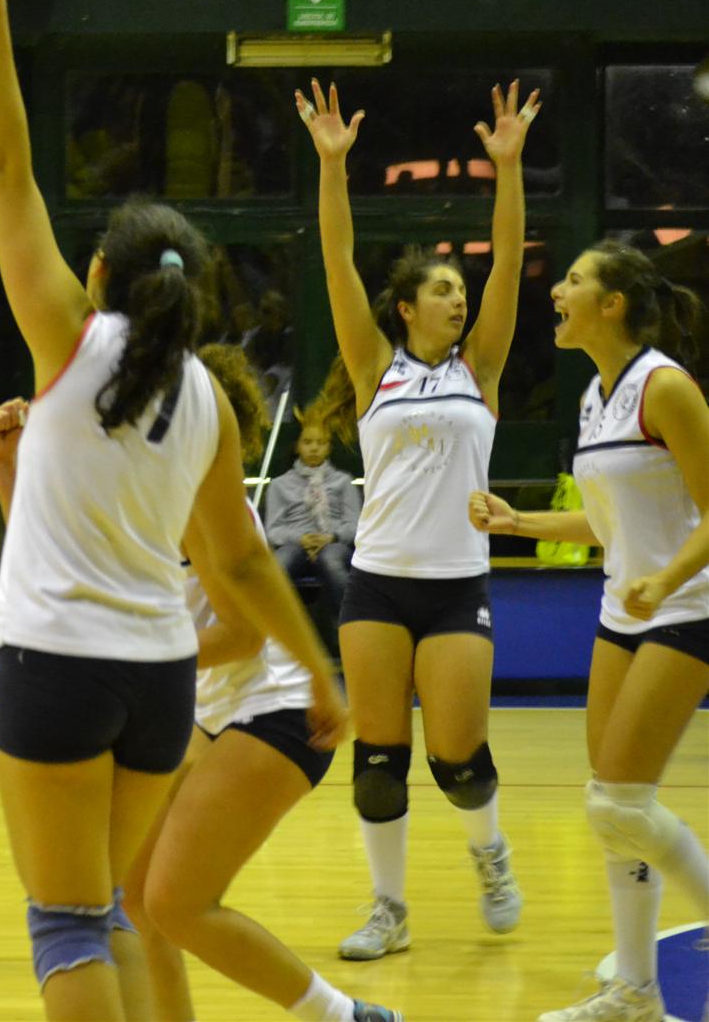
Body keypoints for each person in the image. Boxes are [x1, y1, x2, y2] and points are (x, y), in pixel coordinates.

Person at [0, 0, 347, 1018]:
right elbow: (241, 561)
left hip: (58, 665)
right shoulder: (215, 402)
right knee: (113, 911)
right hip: (161, 685)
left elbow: (4, 168)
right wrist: (318, 670)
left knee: (67, 924)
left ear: (97, 278)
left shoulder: (68, 345)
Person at [0, 344, 400, 1022]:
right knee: (138, 905)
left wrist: (138, 655)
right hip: (207, 714)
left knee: (175, 904)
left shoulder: (216, 500)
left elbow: (243, 634)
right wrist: (7, 465)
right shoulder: (135, 486)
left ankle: (342, 1016)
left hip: (280, 710)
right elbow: (50, 555)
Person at [297, 75, 539, 959]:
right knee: (375, 769)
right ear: (407, 307)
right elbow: (334, 262)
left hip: (454, 585)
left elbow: (509, 263)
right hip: (377, 583)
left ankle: (490, 855)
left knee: (459, 760)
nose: (460, 299)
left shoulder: (483, 369)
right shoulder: (375, 368)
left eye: (460, 292)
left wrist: (507, 168)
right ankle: (388, 912)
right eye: (443, 290)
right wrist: (333, 168)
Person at [469, 241, 709, 1022]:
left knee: (622, 807)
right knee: (611, 809)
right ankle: (636, 994)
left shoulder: (665, 387)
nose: (557, 292)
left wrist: (667, 579)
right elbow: (605, 524)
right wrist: (517, 520)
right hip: (621, 611)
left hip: (687, 607)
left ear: (612, 303)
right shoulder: (593, 398)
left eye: (573, 280)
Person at [264, 415, 360, 629]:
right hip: (294, 543)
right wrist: (302, 539)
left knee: (332, 562)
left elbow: (355, 526)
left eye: (321, 442)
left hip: (334, 542)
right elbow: (273, 530)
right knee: (278, 566)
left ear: (329, 448)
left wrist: (331, 537)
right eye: (307, 442)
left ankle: (350, 628)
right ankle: (276, 633)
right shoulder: (279, 485)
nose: (314, 448)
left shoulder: (343, 482)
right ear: (297, 446)